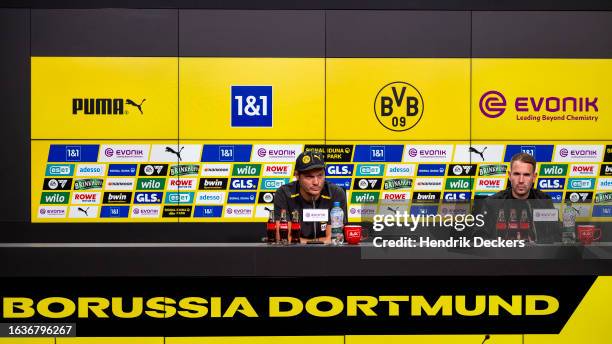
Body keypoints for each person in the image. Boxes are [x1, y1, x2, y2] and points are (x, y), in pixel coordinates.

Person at [472, 152, 558, 243]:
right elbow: (478, 238)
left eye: (526, 175)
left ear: (534, 177)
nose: (521, 180)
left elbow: (556, 235)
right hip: (501, 255)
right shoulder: (492, 203)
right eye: (516, 174)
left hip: (536, 255)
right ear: (509, 175)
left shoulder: (544, 201)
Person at [273, 150, 348, 244]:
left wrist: (301, 241)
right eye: (309, 177)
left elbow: (334, 239)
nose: (316, 182)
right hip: (293, 254)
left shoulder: (336, 193)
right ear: (297, 175)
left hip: (328, 254)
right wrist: (318, 241)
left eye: (320, 175)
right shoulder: (284, 193)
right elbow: (283, 238)